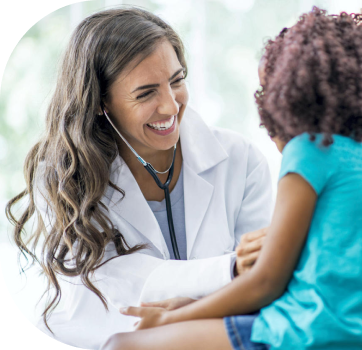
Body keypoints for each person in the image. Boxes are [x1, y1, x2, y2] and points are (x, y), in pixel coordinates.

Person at [108, 7, 362, 350]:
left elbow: (267, 280)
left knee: (123, 344)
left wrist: (171, 318)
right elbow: (314, 283)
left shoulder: (311, 151)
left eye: (267, 93)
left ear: (291, 98)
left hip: (309, 335)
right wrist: (195, 307)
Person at [5, 7, 273, 350]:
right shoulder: (64, 178)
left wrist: (192, 313)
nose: (170, 106)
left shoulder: (241, 160)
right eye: (146, 93)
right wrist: (226, 276)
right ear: (101, 103)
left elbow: (264, 281)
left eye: (177, 81)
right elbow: (108, 287)